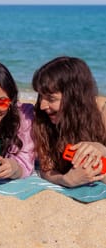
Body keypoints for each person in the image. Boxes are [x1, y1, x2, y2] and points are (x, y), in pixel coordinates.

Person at [32, 55, 106, 187]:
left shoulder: (102, 112)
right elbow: (46, 169)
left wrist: (101, 149)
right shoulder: (43, 120)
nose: (42, 106)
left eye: (51, 99)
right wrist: (65, 180)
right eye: (41, 97)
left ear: (74, 97)